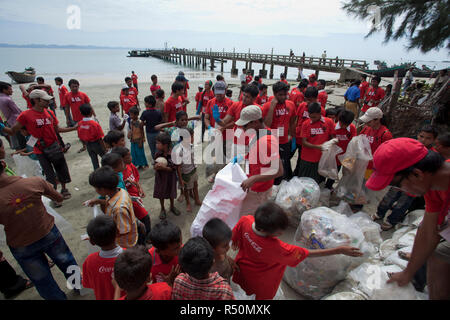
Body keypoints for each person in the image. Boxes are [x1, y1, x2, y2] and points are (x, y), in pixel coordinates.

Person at [365, 138, 450, 300]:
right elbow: (427, 231)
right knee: (438, 256)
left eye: (397, 185)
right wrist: (407, 273)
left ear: (417, 174)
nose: (398, 190)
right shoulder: (433, 187)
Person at [232, 201, 362, 300]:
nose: (281, 234)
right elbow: (306, 253)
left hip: (241, 268)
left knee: (243, 290)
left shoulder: (246, 221)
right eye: (278, 233)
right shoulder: (277, 248)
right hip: (262, 282)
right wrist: (338, 250)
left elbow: (233, 238)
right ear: (263, 230)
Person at [0, 163, 79, 300]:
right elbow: (59, 198)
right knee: (67, 262)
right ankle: (79, 286)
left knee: (42, 280)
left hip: (20, 243)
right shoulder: (33, 182)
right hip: (47, 232)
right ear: (3, 164)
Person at [1, 89, 76, 205]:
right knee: (48, 173)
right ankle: (54, 194)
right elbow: (12, 131)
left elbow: (57, 130)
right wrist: (1, 126)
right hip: (40, 149)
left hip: (54, 146)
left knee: (61, 168)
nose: (48, 102)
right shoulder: (25, 115)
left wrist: (75, 128)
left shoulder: (49, 113)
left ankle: (64, 188)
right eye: (45, 100)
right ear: (36, 100)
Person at [373, 126, 438, 230]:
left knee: (402, 204)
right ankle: (379, 213)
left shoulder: (433, 155)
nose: (423, 140)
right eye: (421, 136)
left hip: (412, 187)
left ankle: (391, 220)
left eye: (428, 138)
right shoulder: (411, 147)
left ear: (434, 140)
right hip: (400, 181)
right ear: (417, 135)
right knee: (388, 198)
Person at [235, 105, 283, 216]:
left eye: (245, 125)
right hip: (254, 184)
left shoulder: (267, 141)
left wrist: (254, 178)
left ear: (255, 122)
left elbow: (279, 171)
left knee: (247, 217)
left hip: (258, 189)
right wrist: (244, 157)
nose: (243, 128)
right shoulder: (256, 133)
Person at [87, 166, 138, 248]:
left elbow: (123, 231)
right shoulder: (119, 191)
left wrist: (100, 236)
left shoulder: (119, 209)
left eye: (95, 188)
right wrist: (98, 201)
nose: (95, 190)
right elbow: (110, 203)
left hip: (124, 244)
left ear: (103, 189)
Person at [82, 215, 124, 300]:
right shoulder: (130, 256)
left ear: (91, 242)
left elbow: (89, 284)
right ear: (118, 232)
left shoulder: (89, 261)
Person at [113, 147, 151, 239]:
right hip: (130, 200)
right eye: (128, 156)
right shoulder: (119, 175)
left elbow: (135, 178)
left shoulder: (130, 165)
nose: (131, 157)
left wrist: (139, 188)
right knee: (145, 218)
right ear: (120, 160)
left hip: (136, 196)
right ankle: (146, 238)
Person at [262, 81, 296, 184]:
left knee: (284, 164)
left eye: (285, 94)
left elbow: (293, 120)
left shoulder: (291, 104)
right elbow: (266, 124)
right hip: (271, 141)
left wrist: (292, 136)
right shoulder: (267, 106)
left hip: (284, 141)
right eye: (280, 95)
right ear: (274, 94)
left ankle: (281, 183)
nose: (284, 97)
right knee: (271, 165)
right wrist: (272, 106)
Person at [217, 84, 260, 160]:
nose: (244, 98)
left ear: (254, 98)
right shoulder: (236, 105)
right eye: (244, 95)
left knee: (248, 168)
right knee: (234, 165)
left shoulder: (257, 110)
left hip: (252, 143)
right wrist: (218, 119)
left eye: (247, 97)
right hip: (237, 142)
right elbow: (224, 122)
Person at [297, 102, 335, 184]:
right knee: (303, 180)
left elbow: (332, 137)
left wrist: (332, 143)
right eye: (310, 117)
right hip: (307, 158)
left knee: (316, 181)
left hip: (321, 158)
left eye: (314, 117)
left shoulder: (329, 122)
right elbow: (304, 142)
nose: (312, 119)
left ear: (320, 114)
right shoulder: (306, 124)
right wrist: (319, 147)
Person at [293, 87, 326, 176]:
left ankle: (297, 174)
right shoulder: (302, 105)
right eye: (306, 99)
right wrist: (293, 132)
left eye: (310, 100)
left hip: (307, 140)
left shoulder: (321, 110)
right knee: (289, 155)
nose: (307, 102)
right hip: (297, 136)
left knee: (301, 159)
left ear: (316, 98)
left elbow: (321, 126)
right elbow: (297, 119)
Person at [325, 110, 356, 190]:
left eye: (345, 125)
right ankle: (324, 186)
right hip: (333, 156)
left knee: (339, 173)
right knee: (329, 172)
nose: (343, 127)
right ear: (339, 119)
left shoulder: (352, 128)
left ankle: (330, 187)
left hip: (345, 155)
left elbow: (353, 142)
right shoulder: (333, 127)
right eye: (342, 124)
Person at [153, 132, 181, 219]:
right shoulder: (157, 154)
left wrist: (164, 168)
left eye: (158, 143)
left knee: (171, 192)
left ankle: (172, 206)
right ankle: (162, 209)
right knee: (161, 193)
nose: (156, 145)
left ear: (165, 145)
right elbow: (154, 165)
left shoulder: (173, 154)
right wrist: (156, 167)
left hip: (170, 178)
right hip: (160, 178)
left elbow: (173, 168)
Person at [173, 127, 201, 212]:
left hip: (193, 170)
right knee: (186, 189)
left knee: (195, 186)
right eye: (191, 137)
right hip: (185, 173)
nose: (193, 139)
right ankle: (188, 203)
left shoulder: (192, 146)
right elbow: (178, 166)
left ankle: (197, 199)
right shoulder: (180, 150)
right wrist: (180, 179)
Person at [358, 107, 393, 176]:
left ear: (377, 120)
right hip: (361, 163)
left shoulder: (385, 135)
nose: (366, 123)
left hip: (371, 167)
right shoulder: (366, 128)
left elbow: (385, 154)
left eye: (369, 121)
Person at [202, 218, 238, 282]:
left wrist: (229, 260)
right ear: (212, 247)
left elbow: (225, 255)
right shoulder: (211, 268)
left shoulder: (220, 252)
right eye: (225, 246)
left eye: (228, 243)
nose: (229, 247)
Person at [147, 220, 182, 284]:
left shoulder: (183, 254)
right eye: (176, 248)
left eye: (181, 243)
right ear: (160, 252)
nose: (181, 248)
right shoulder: (148, 259)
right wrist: (169, 282)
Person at [77, 104, 106, 170]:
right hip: (96, 144)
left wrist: (84, 144)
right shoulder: (94, 124)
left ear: (81, 113)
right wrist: (104, 148)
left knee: (94, 161)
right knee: (104, 157)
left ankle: (97, 173)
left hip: (88, 144)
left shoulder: (80, 123)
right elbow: (100, 138)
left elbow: (80, 136)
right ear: (91, 112)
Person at [0, 82, 27, 151]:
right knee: (22, 138)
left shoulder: (1, 98)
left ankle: (18, 150)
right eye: (10, 89)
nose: (12, 90)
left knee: (15, 138)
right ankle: (24, 151)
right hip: (16, 121)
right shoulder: (7, 99)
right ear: (4, 90)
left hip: (8, 121)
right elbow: (17, 111)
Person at [140, 95, 162, 160]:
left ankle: (155, 160)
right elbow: (160, 121)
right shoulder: (158, 112)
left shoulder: (145, 113)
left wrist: (146, 124)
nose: (144, 103)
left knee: (152, 149)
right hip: (158, 132)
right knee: (158, 148)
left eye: (145, 102)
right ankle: (159, 160)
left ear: (149, 104)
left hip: (149, 133)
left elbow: (141, 123)